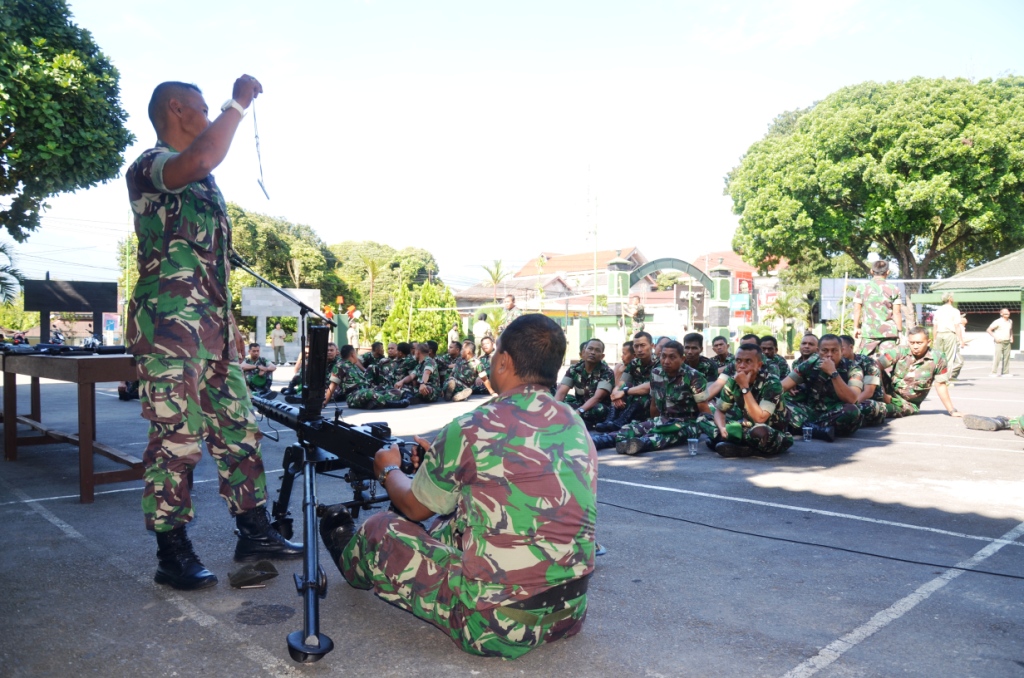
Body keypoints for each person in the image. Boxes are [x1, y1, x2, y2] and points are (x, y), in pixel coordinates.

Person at [318, 314, 596, 659]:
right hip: (568, 613)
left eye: (494, 354)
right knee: (455, 525)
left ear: (504, 361)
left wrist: (388, 469)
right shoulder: (574, 422)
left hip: (493, 626)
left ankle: (352, 559)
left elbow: (413, 507)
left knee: (382, 527)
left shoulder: (472, 425)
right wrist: (437, 463)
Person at [126, 75, 300, 590]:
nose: (209, 117)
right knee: (175, 442)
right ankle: (172, 552)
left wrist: (232, 329)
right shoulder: (151, 166)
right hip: (169, 334)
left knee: (239, 432)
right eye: (202, 110)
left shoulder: (205, 185)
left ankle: (255, 531)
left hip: (214, 334)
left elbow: (213, 264)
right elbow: (201, 157)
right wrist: (237, 104)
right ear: (177, 109)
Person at [610, 340, 713, 456]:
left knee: (662, 436)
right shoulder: (656, 373)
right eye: (663, 356)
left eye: (672, 357)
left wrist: (708, 430)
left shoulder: (694, 376)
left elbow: (704, 409)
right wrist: (653, 423)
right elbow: (654, 404)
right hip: (663, 419)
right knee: (627, 429)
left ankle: (640, 444)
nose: (666, 361)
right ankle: (602, 442)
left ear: (682, 359)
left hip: (686, 423)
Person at [710, 343, 793, 457]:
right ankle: (732, 441)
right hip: (745, 427)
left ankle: (739, 445)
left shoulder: (772, 383)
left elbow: (760, 418)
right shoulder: (733, 380)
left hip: (770, 431)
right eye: (738, 361)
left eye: (748, 361)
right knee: (704, 417)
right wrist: (722, 427)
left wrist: (744, 387)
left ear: (759, 365)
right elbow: (720, 410)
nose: (742, 366)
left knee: (760, 432)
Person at [781, 334, 864, 442]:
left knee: (852, 411)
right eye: (825, 351)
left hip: (834, 413)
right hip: (810, 412)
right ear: (818, 351)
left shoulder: (853, 368)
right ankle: (819, 430)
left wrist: (833, 373)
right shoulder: (810, 364)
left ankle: (803, 428)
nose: (829, 355)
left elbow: (852, 398)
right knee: (781, 402)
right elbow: (783, 386)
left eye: (834, 351)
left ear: (842, 350)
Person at [876, 327, 961, 419]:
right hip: (887, 391)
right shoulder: (899, 351)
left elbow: (940, 385)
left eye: (919, 343)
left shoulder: (938, 358)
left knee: (875, 409)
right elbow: (876, 365)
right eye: (912, 343)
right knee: (869, 367)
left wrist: (951, 410)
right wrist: (883, 394)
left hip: (905, 404)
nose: (915, 346)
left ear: (928, 342)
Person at [596, 332, 659, 433]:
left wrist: (624, 392)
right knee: (623, 387)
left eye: (642, 345)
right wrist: (616, 393)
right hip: (634, 400)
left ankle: (621, 421)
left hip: (651, 403)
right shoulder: (634, 363)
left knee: (643, 395)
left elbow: (649, 386)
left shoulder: (659, 363)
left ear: (652, 346)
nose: (639, 349)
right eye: (636, 346)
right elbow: (622, 382)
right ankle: (610, 420)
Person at [324, 345, 410, 410]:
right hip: (353, 395)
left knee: (395, 392)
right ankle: (392, 404)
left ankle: (374, 403)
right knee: (369, 394)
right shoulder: (340, 365)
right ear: (352, 354)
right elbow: (332, 385)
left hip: (366, 390)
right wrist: (325, 402)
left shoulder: (353, 365)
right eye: (355, 353)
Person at [555, 338, 614, 429]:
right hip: (580, 404)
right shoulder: (574, 369)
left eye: (597, 350)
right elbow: (562, 392)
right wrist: (554, 408)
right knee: (560, 401)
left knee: (600, 409)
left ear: (602, 356)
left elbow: (597, 398)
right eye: (590, 349)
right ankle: (579, 421)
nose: (593, 352)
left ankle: (574, 419)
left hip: (595, 407)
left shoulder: (606, 372)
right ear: (583, 352)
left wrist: (579, 411)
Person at [852, 260, 903, 356]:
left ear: (871, 271)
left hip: (869, 332)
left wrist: (856, 327)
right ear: (888, 272)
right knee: (888, 362)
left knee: (864, 361)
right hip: (888, 333)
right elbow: (897, 313)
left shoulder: (862, 288)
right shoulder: (894, 289)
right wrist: (899, 331)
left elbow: (857, 309)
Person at [839, 335, 887, 427]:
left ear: (851, 347)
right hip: (845, 402)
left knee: (868, 407)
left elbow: (868, 392)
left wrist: (849, 405)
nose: (839, 352)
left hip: (866, 400)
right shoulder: (837, 363)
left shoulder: (868, 362)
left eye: (842, 349)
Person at [931, 292, 964, 381]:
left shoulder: (938, 311)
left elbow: (935, 326)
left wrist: (934, 339)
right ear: (950, 299)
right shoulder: (955, 311)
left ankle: (936, 378)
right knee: (949, 358)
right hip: (949, 334)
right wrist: (961, 340)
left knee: (938, 358)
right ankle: (945, 380)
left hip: (939, 335)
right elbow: (957, 326)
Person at [987, 308, 1013, 377]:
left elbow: (1010, 330)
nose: (1007, 313)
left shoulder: (1010, 321)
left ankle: (1005, 372)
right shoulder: (997, 321)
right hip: (999, 341)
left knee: (1006, 357)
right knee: (997, 357)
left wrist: (1011, 337)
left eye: (1008, 312)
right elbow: (989, 330)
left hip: (1007, 341)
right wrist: (995, 337)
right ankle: (993, 372)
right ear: (1001, 314)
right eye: (1005, 312)